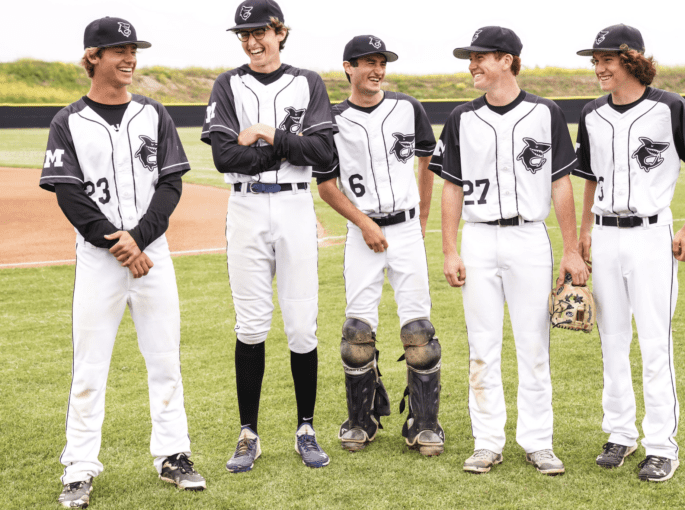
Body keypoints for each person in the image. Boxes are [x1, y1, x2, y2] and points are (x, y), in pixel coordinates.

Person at [40, 16, 206, 509]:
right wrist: (116, 243)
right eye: (119, 50)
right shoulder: (67, 121)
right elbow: (68, 193)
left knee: (165, 362)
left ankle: (174, 455)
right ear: (92, 56)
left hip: (152, 256)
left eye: (134, 49)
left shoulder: (154, 114)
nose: (130, 58)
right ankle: (80, 467)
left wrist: (139, 239)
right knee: (89, 368)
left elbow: (171, 185)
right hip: (99, 260)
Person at [431, 26, 590, 475]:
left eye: (480, 57)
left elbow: (561, 184)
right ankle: (487, 441)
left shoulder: (547, 112)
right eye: (470, 57)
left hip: (529, 238)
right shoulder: (462, 117)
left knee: (534, 344)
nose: (472, 65)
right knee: (482, 344)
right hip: (479, 238)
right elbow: (451, 187)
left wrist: (571, 249)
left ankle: (538, 441)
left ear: (507, 60)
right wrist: (449, 249)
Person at [573, 24, 685, 482]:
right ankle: (620, 433)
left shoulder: (669, 106)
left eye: (607, 59)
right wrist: (582, 235)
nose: (599, 68)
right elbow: (591, 178)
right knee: (611, 340)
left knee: (655, 342)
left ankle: (661, 446)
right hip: (605, 232)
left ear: (631, 59)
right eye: (595, 60)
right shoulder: (592, 113)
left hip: (652, 235)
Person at [200, 0, 335, 470]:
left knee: (301, 326)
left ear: (280, 32)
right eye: (244, 35)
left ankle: (305, 428)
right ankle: (248, 434)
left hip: (296, 205)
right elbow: (223, 158)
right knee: (251, 324)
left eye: (261, 31)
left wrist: (265, 135)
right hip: (246, 207)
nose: (252, 42)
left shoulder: (308, 82)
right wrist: (280, 150)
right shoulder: (227, 84)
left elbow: (320, 150)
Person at [316, 35, 443, 456]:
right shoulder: (332, 117)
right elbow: (327, 186)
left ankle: (424, 423)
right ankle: (361, 419)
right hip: (361, 231)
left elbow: (427, 160)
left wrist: (421, 219)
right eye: (367, 62)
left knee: (419, 331)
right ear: (348, 68)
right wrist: (364, 223)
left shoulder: (408, 107)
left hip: (406, 228)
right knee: (356, 331)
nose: (377, 69)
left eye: (381, 62)